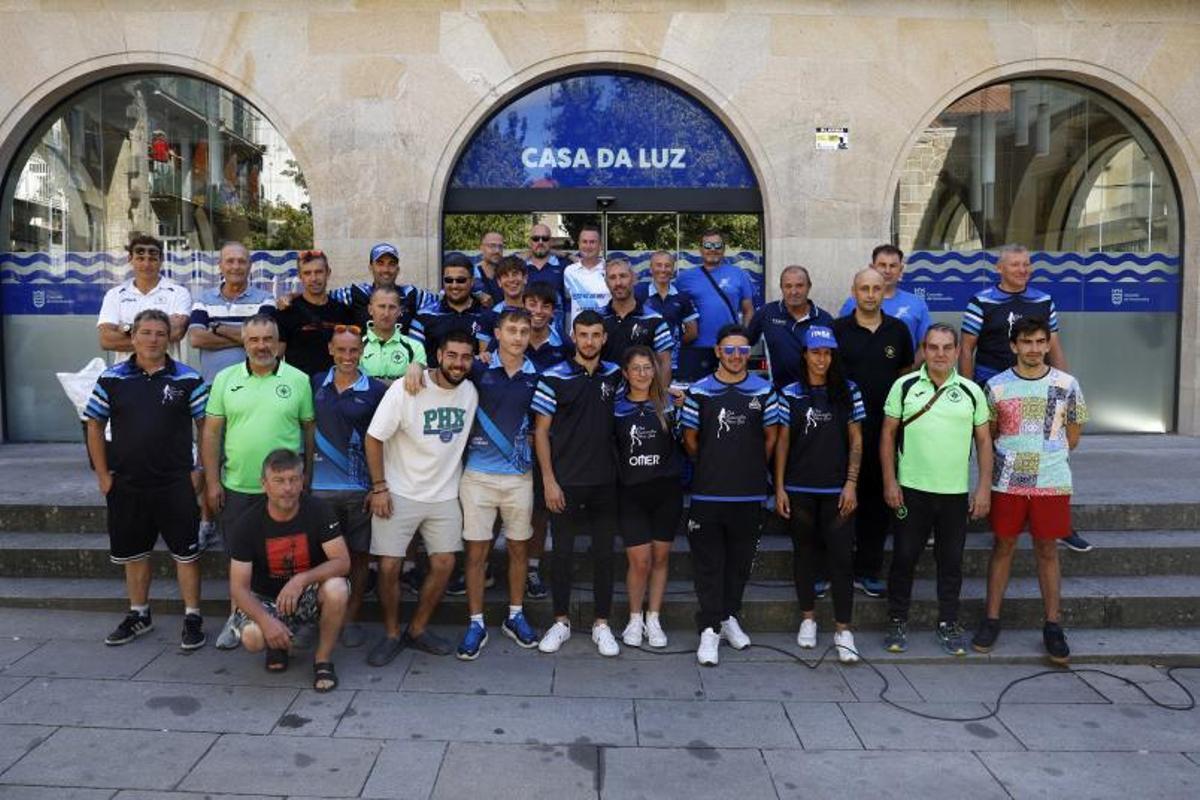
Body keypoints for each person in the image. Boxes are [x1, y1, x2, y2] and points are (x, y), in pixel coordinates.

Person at [84, 309, 208, 649]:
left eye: (159, 333)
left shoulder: (187, 378)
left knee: (186, 554)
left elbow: (206, 426)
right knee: (134, 554)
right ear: (133, 337)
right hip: (127, 483)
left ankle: (193, 617)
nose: (153, 339)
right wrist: (103, 475)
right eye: (146, 332)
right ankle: (139, 615)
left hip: (175, 482)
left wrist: (202, 470)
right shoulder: (112, 378)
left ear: (168, 338)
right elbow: (94, 424)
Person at [958, 244, 1088, 552]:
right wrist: (966, 392)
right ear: (999, 269)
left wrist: (1065, 386)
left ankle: (1062, 527)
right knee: (988, 450)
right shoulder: (981, 301)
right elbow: (966, 349)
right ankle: (976, 513)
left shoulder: (1043, 300)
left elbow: (1054, 345)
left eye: (1027, 264)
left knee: (1054, 451)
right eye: (1015, 265)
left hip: (1040, 390)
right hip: (994, 388)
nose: (1023, 270)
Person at [973, 317, 1087, 665]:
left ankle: (1053, 624)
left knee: (1047, 550)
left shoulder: (1067, 384)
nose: (1035, 349)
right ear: (1014, 346)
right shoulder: (995, 386)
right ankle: (991, 620)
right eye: (1027, 342)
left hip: (1051, 481)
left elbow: (1073, 435)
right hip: (1007, 482)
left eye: (1040, 341)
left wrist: (1045, 457)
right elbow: (988, 437)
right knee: (1003, 546)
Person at [364, 330, 479, 664]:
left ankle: (416, 629)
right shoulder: (407, 388)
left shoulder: (470, 390)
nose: (459, 363)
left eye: (466, 357)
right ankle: (389, 633)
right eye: (452, 355)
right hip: (398, 490)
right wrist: (380, 487)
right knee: (388, 566)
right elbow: (374, 438)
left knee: (445, 564)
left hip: (444, 493)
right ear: (439, 356)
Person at [201, 313, 316, 650]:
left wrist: (307, 475)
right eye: (254, 340)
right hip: (238, 486)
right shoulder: (225, 379)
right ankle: (236, 618)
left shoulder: (298, 380)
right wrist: (212, 482)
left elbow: (309, 432)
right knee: (238, 557)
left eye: (268, 339)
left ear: (278, 341)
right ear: (244, 342)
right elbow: (211, 434)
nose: (261, 346)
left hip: (286, 491)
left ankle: (289, 617)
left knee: (286, 557)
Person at [880, 323, 992, 656]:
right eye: (933, 347)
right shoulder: (904, 386)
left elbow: (985, 442)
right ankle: (898, 620)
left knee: (951, 561)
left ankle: (948, 623)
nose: (940, 354)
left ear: (957, 351)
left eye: (946, 347)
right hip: (911, 491)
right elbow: (886, 436)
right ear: (923, 350)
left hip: (954, 494)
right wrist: (890, 480)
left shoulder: (972, 391)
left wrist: (983, 487)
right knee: (903, 558)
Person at [681, 324, 779, 666]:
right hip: (709, 494)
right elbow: (690, 441)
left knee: (738, 565)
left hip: (749, 495)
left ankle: (728, 618)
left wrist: (747, 467)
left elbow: (771, 439)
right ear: (717, 352)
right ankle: (709, 629)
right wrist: (715, 464)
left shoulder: (765, 391)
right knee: (709, 565)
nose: (736, 356)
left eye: (742, 351)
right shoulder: (699, 391)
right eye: (729, 350)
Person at [532, 310, 623, 657]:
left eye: (595, 335)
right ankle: (560, 622)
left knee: (604, 555)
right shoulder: (552, 376)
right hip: (565, 482)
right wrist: (549, 481)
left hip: (605, 481)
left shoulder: (615, 375)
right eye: (583, 334)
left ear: (603, 338)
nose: (589, 341)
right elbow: (540, 432)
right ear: (572, 336)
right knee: (563, 555)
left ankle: (602, 623)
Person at [453, 309, 542, 659]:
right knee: (477, 552)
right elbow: (442, 373)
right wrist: (418, 369)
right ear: (498, 333)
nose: (518, 337)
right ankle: (475, 622)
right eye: (511, 330)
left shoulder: (539, 375)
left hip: (520, 477)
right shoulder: (476, 367)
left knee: (520, 548)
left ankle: (515, 616)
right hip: (476, 476)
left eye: (524, 331)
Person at [773, 326, 864, 663]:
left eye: (827, 353)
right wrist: (779, 486)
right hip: (799, 488)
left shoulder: (848, 391)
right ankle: (808, 619)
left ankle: (844, 630)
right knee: (805, 555)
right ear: (805, 354)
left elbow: (856, 440)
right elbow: (782, 442)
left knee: (841, 559)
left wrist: (851, 483)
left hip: (837, 489)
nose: (821, 359)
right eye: (815, 352)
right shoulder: (790, 392)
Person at [226, 449, 350, 692]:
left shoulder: (318, 510)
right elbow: (238, 587)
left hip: (306, 592)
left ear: (302, 481)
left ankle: (322, 659)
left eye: (294, 479)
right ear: (264, 484)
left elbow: (343, 562)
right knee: (253, 637)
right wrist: (266, 621)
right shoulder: (246, 523)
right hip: (266, 598)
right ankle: (278, 644)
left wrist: (301, 580)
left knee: (337, 587)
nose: (288, 488)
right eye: (279, 481)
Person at [831, 268, 915, 598]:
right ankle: (834, 571)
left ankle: (868, 570)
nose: (870, 294)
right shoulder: (837, 330)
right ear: (854, 291)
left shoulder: (898, 330)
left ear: (884, 292)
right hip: (844, 431)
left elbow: (905, 374)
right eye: (864, 288)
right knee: (839, 504)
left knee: (877, 504)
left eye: (876, 289)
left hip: (884, 430)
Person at [310, 328, 387, 650]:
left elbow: (384, 439)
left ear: (362, 351)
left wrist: (378, 485)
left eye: (353, 350)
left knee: (357, 559)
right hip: (318, 491)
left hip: (359, 491)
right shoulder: (313, 384)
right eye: (341, 350)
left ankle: (351, 618)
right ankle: (315, 618)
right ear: (330, 349)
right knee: (317, 559)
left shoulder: (376, 391)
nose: (347, 357)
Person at [614, 346, 683, 649]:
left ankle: (653, 617)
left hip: (666, 491)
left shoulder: (669, 404)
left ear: (655, 371)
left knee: (661, 557)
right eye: (636, 368)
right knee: (639, 561)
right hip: (631, 493)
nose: (642, 374)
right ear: (626, 373)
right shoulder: (615, 407)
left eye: (647, 368)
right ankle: (634, 617)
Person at [521, 282, 574, 599]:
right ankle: (487, 567)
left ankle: (531, 568)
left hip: (547, 438)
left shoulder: (565, 347)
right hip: (510, 439)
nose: (537, 311)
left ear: (553, 312)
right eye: (531, 304)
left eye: (544, 305)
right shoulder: (511, 339)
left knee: (540, 509)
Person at [187, 240, 276, 384]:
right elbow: (196, 339)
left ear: (249, 266)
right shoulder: (203, 299)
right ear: (220, 266)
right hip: (213, 386)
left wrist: (218, 328)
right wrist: (247, 338)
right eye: (230, 261)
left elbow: (263, 339)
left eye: (241, 261)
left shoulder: (265, 299)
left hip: (254, 384)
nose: (236, 266)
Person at [675, 229, 756, 382]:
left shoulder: (738, 274)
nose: (712, 249)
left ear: (724, 249)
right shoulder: (684, 278)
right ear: (700, 249)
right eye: (708, 245)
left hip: (729, 348)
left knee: (730, 394)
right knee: (697, 395)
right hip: (696, 348)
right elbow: (675, 311)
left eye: (717, 245)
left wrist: (744, 337)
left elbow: (748, 310)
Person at [97, 234, 191, 355]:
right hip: (126, 373)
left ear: (161, 260)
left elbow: (176, 332)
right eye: (140, 259)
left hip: (168, 371)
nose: (146, 264)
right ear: (130, 259)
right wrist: (161, 331)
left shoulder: (179, 293)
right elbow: (106, 341)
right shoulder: (115, 295)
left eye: (152, 259)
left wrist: (126, 328)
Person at [748, 265, 834, 389]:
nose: (793, 292)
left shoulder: (825, 319)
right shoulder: (766, 313)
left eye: (799, 286)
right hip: (779, 393)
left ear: (809, 286)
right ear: (781, 288)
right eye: (788, 286)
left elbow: (833, 359)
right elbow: (744, 344)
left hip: (815, 393)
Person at [838, 244, 931, 352]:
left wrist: (909, 367)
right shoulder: (853, 303)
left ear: (900, 269)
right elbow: (841, 342)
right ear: (872, 268)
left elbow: (927, 345)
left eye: (893, 266)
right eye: (882, 265)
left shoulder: (917, 303)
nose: (887, 271)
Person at [277, 249, 355, 376]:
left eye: (318, 272)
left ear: (328, 273)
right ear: (300, 276)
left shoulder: (343, 312)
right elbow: (276, 357)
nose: (313, 278)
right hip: (300, 387)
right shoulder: (286, 312)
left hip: (335, 388)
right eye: (307, 273)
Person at [329, 242, 433, 334]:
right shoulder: (356, 293)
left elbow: (441, 303)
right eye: (380, 263)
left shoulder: (411, 294)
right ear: (371, 267)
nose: (386, 269)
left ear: (398, 269)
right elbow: (322, 299)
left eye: (391, 264)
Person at [599, 257, 673, 379]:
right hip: (605, 393)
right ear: (606, 282)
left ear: (634, 279)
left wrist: (661, 396)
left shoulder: (655, 320)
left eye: (623, 276)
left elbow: (664, 364)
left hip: (642, 395)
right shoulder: (598, 319)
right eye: (612, 278)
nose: (618, 283)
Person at [414, 254, 490, 368]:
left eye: (461, 280)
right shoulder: (424, 316)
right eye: (449, 280)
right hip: (434, 382)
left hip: (475, 383)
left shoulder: (486, 315)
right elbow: (412, 355)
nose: (454, 285)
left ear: (472, 281)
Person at [634, 250, 699, 374]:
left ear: (673, 269)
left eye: (667, 265)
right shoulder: (638, 293)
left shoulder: (682, 297)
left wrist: (672, 344)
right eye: (658, 265)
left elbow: (693, 332)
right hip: (643, 362)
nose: (663, 269)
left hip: (672, 363)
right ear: (651, 268)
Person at [360, 287, 427, 384]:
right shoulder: (357, 346)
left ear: (400, 311)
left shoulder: (415, 347)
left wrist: (419, 367)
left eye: (392, 307)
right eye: (381, 306)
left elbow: (420, 385)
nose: (386, 313)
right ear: (370, 309)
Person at [563, 224, 609, 328]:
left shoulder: (610, 270)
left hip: (604, 332)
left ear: (600, 246)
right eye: (584, 242)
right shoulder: (569, 271)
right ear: (579, 244)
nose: (588, 246)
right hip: (578, 335)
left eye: (592, 242)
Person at [524, 223, 567, 333]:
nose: (540, 242)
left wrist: (568, 255)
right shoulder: (520, 266)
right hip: (526, 331)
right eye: (535, 238)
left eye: (545, 239)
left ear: (551, 242)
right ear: (530, 242)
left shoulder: (565, 265)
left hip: (556, 333)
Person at [472, 231, 506, 307]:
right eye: (492, 246)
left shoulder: (507, 274)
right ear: (481, 248)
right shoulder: (471, 274)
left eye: (500, 246)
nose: (497, 251)